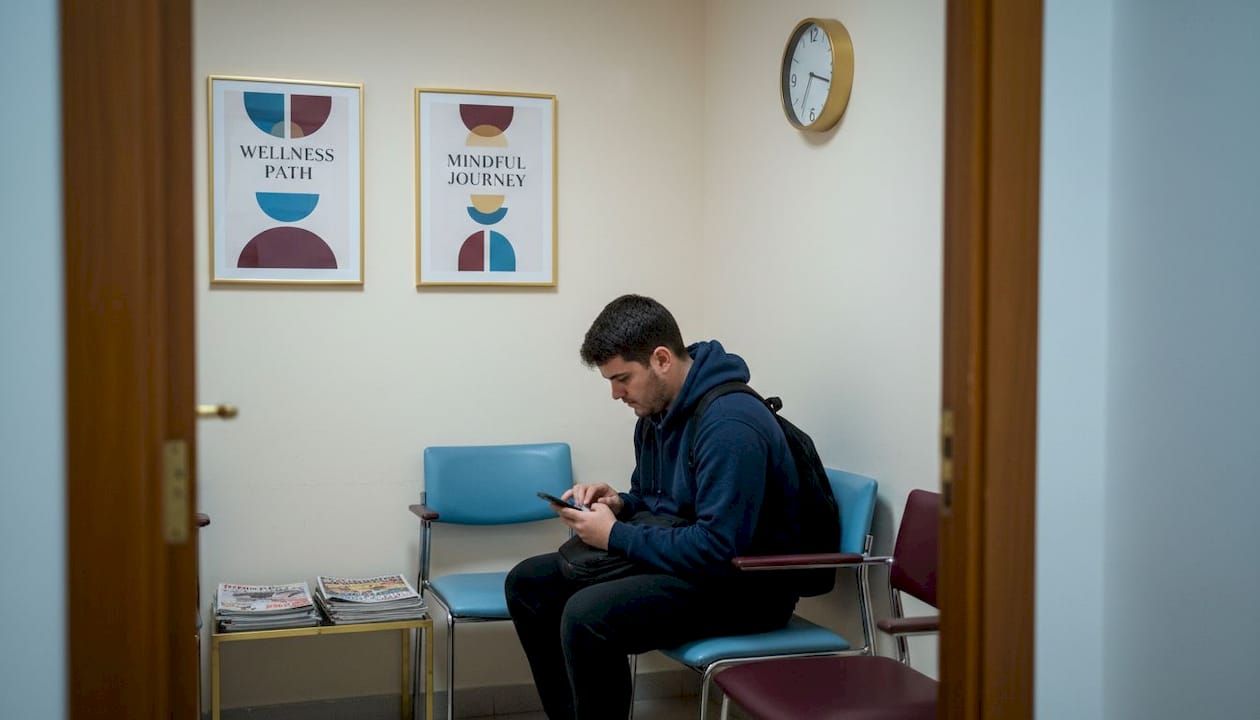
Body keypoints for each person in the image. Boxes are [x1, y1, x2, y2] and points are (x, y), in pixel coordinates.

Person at [505, 293, 806, 719]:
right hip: (689, 563)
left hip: (745, 586)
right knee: (528, 583)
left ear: (662, 359)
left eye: (622, 378)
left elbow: (719, 548)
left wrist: (614, 535)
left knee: (587, 615)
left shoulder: (730, 424)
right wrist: (619, 503)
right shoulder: (655, 414)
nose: (615, 394)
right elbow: (655, 501)